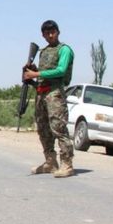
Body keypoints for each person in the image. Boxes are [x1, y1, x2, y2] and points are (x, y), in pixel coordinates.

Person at [23, 20, 75, 178]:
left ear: (58, 32)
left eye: (53, 32)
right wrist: (30, 74)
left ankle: (67, 164)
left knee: (58, 128)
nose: (50, 35)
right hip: (41, 93)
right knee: (43, 129)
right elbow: (43, 74)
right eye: (47, 33)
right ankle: (50, 162)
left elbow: (60, 71)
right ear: (43, 35)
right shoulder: (43, 51)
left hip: (55, 94)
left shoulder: (64, 49)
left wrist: (36, 74)